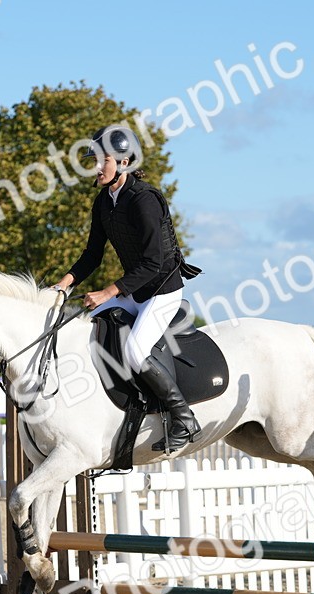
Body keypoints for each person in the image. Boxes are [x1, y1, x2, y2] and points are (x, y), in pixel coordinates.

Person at [52, 125, 200, 453]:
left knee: (135, 351)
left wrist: (108, 292)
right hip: (135, 290)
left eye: (101, 160)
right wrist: (63, 284)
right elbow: (93, 254)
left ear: (124, 161)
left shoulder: (144, 200)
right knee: (84, 327)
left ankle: (184, 417)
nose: (94, 167)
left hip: (162, 291)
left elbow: (154, 262)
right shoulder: (104, 201)